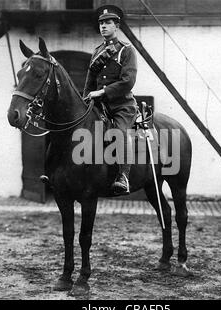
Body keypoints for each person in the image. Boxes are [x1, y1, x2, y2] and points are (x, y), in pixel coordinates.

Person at [83, 5, 138, 195]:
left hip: (121, 105)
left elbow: (128, 81)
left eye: (108, 23)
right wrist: (85, 100)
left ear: (117, 26)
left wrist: (102, 92)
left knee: (120, 133)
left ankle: (123, 177)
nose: (103, 26)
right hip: (100, 106)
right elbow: (90, 82)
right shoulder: (97, 51)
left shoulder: (126, 50)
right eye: (101, 23)